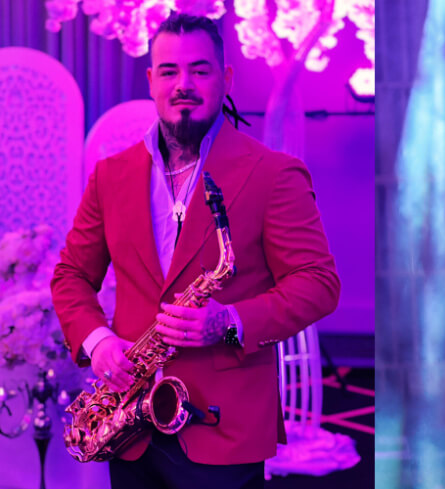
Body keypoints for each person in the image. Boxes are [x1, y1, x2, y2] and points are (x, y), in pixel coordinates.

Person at [51, 12, 340, 489]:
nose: (183, 84)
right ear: (151, 81)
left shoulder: (274, 174)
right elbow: (71, 276)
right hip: (129, 425)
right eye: (169, 71)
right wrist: (97, 342)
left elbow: (319, 284)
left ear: (225, 79)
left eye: (200, 70)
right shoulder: (110, 175)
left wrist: (229, 321)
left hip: (224, 428)